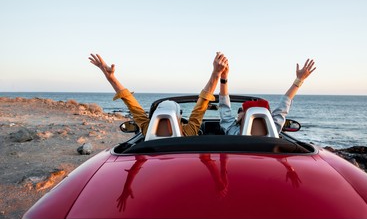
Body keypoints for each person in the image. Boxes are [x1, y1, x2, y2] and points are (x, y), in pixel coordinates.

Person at [89, 52, 228, 136]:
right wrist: (216, 73)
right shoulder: (188, 133)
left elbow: (129, 101)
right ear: (179, 119)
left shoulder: (146, 130)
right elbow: (203, 102)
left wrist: (111, 78)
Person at [219, 58, 316, 135]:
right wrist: (299, 79)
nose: (239, 112)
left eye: (241, 110)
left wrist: (223, 77)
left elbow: (224, 107)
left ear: (245, 117)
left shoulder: (233, 133)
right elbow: (285, 103)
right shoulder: (275, 129)